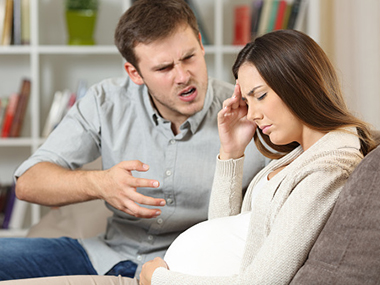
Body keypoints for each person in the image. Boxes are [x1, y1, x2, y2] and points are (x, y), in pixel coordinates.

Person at [0, 0, 266, 282]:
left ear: (201, 44)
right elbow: (28, 182)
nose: (183, 76)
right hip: (104, 254)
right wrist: (100, 184)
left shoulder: (251, 113)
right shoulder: (106, 102)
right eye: (163, 68)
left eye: (189, 57)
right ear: (135, 73)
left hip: (182, 268)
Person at [138, 29, 377, 284]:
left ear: (299, 84)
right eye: (247, 102)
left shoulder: (328, 169)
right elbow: (224, 233)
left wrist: (160, 279)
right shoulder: (300, 154)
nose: (251, 114)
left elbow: (262, 281)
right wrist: (231, 152)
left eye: (260, 96)